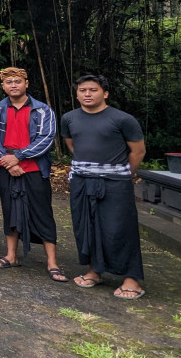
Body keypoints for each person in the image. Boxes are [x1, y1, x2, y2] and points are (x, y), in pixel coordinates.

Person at [61, 74, 146, 300]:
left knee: (120, 228)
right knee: (86, 227)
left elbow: (138, 152)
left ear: (105, 93)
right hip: (81, 182)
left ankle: (131, 278)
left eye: (93, 90)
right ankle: (94, 270)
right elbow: (73, 147)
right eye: (82, 90)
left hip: (115, 183)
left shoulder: (123, 119)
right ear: (77, 93)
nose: (87, 94)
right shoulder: (69, 118)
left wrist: (119, 174)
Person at [0, 67, 65, 281]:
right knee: (9, 210)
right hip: (6, 167)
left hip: (34, 168)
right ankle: (11, 256)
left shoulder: (42, 110)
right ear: (3, 86)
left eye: (17, 81)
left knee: (42, 211)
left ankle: (52, 262)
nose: (13, 85)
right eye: (9, 82)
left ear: (26, 83)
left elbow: (46, 138)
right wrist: (8, 162)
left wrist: (18, 157)